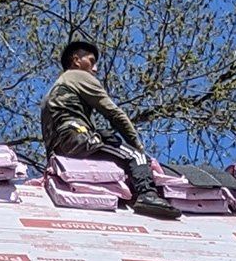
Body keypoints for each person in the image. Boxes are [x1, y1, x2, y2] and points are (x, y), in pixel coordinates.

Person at [39, 39, 179, 220]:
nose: (95, 69)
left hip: (59, 151)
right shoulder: (78, 76)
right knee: (136, 157)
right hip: (77, 137)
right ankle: (148, 196)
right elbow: (114, 113)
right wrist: (138, 146)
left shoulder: (55, 89)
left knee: (111, 154)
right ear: (76, 60)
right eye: (91, 61)